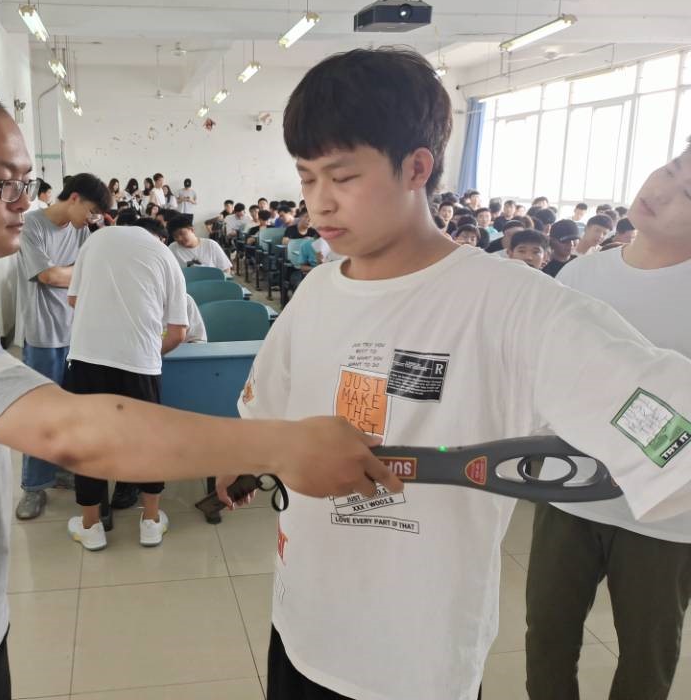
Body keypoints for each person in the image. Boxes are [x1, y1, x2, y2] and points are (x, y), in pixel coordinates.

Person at [0, 81, 402, 700]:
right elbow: (71, 432)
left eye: (27, 182)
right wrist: (280, 446)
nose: (24, 201)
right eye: (4, 182)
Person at [224, 47, 691, 700]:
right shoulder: (318, 291)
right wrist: (243, 460)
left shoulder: (517, 305)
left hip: (414, 661)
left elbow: (672, 427)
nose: (319, 203)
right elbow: (267, 416)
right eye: (306, 178)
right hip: (301, 623)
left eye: (342, 176)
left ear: (417, 168)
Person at [526, 139, 691, 700]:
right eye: (669, 169)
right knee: (547, 635)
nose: (661, 191)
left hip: (664, 514)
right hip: (568, 489)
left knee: (648, 650)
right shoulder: (581, 276)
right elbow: (543, 372)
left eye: (688, 192)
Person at [64, 219, 187, 550]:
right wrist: (146, 352)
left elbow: (74, 299)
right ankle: (150, 522)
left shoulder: (94, 241)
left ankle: (91, 526)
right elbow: (178, 332)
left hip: (87, 358)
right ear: (159, 235)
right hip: (140, 364)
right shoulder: (165, 255)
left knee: (88, 441)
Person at [15, 173, 110, 520]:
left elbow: (87, 271)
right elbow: (48, 276)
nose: (92, 218)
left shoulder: (82, 230)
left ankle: (61, 470)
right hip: (44, 334)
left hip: (77, 333)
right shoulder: (31, 225)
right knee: (41, 413)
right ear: (74, 198)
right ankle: (33, 486)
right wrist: (80, 272)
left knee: (71, 409)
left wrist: (76, 271)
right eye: (92, 210)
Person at [167, 218, 233, 273]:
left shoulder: (210, 245)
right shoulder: (173, 248)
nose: (179, 238)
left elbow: (225, 268)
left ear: (192, 230)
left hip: (211, 282)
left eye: (181, 233)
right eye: (175, 236)